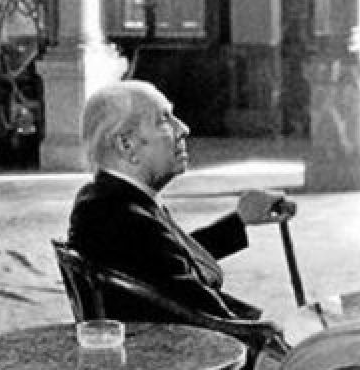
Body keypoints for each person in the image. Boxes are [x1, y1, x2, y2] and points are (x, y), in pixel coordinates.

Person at [67, 80, 295, 324]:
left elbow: (163, 261)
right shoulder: (125, 219)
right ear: (126, 145)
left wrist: (239, 220)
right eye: (164, 120)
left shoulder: (105, 199)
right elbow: (214, 319)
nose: (183, 129)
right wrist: (278, 335)